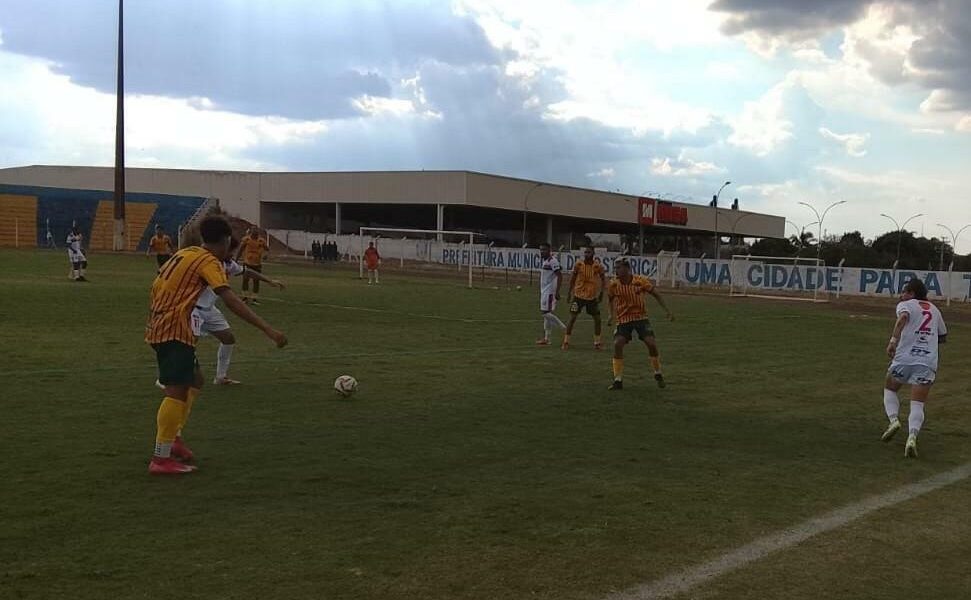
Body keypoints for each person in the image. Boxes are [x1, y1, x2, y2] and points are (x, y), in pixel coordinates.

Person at [145, 215, 287, 475]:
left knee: (196, 379)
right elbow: (230, 299)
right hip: (174, 328)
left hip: (163, 323)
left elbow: (157, 282)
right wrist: (268, 330)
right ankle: (160, 458)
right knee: (176, 391)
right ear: (224, 241)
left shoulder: (186, 253)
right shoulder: (209, 261)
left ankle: (173, 437)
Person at [881, 279, 947, 458]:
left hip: (905, 358)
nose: (901, 295)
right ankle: (912, 437)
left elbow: (902, 318)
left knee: (890, 387)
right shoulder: (935, 309)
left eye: (904, 291)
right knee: (918, 403)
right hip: (927, 361)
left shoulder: (905, 305)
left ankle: (894, 420)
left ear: (911, 293)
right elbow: (942, 336)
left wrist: (893, 341)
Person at [606, 258, 674, 390]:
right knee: (617, 344)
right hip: (623, 319)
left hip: (640, 318)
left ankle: (658, 372)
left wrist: (667, 311)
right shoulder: (614, 284)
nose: (616, 270)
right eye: (616, 268)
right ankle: (618, 380)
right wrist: (610, 315)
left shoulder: (640, 281)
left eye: (619, 267)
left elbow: (656, 294)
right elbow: (609, 300)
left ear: (627, 268)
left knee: (651, 343)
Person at [562, 246, 607, 350]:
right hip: (578, 296)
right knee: (572, 318)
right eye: (585, 252)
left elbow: (603, 279)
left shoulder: (598, 266)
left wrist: (601, 293)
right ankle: (566, 341)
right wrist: (569, 293)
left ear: (593, 253)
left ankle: (597, 343)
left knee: (598, 319)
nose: (586, 254)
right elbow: (573, 279)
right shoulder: (578, 264)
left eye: (589, 252)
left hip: (591, 297)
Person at [536, 242, 566, 346]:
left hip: (549, 291)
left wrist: (557, 291)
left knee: (544, 313)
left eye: (544, 250)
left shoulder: (552, 261)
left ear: (549, 250)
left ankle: (564, 328)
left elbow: (560, 275)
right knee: (546, 315)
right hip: (544, 290)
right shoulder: (546, 261)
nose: (542, 252)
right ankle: (547, 339)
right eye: (541, 250)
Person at [237, 228, 269, 304]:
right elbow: (240, 249)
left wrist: (265, 255)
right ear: (251, 232)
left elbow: (267, 249)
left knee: (256, 281)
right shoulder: (246, 239)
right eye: (253, 232)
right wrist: (236, 259)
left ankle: (255, 299)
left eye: (256, 232)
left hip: (257, 263)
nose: (255, 233)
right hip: (247, 262)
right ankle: (244, 298)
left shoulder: (261, 241)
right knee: (245, 280)